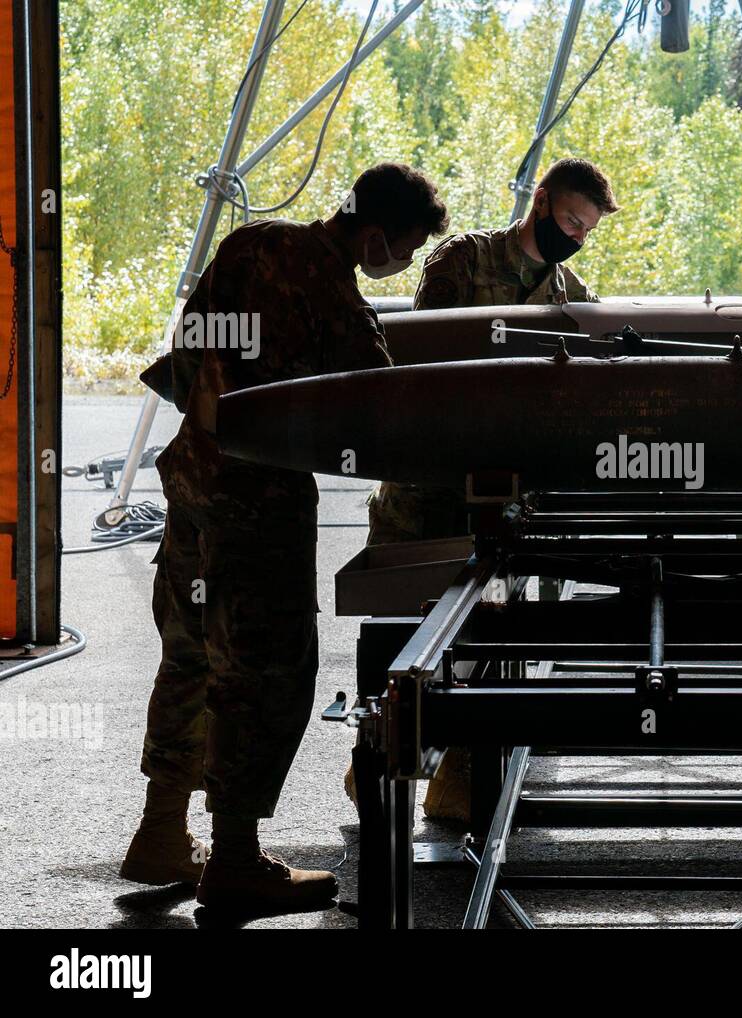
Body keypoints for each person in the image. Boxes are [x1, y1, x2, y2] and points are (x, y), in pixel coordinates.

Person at [120, 163, 449, 913]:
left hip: (194, 481)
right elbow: (378, 407)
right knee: (263, 674)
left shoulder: (250, 242)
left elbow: (181, 356)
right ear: (373, 237)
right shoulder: (332, 293)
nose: (397, 265)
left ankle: (162, 831)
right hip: (260, 507)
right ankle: (235, 860)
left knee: (190, 655)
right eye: (398, 250)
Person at [361, 157, 618, 822]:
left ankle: (459, 775)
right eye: (568, 220)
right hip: (426, 484)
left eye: (586, 229)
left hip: (499, 495)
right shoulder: (463, 260)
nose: (575, 236)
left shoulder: (573, 294)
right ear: (540, 202)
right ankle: (382, 768)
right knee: (400, 630)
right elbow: (426, 362)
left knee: (483, 635)